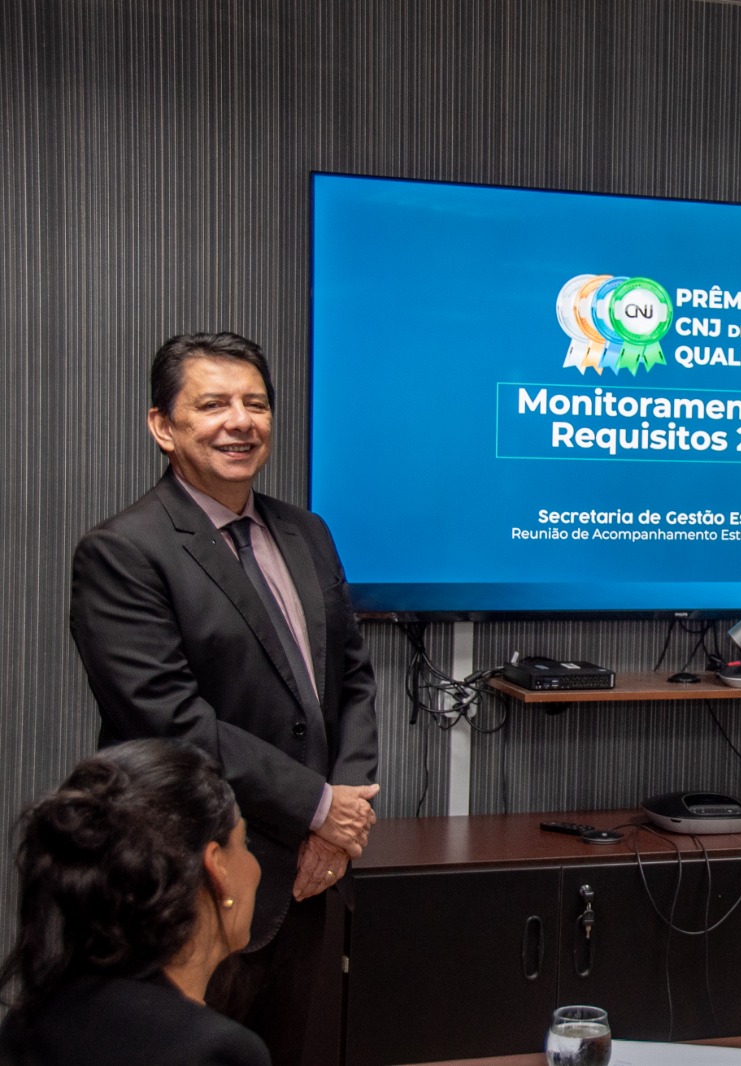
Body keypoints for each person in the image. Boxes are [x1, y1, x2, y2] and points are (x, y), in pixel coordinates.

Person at [68, 332, 381, 1062]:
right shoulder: (124, 551)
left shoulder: (306, 532)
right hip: (191, 884)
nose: (239, 421)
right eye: (212, 404)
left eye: (255, 404)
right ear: (162, 426)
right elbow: (168, 721)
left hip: (311, 876)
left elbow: (353, 678)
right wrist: (317, 807)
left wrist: (343, 812)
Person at [0, 739, 270, 1065]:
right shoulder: (217, 1051)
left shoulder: (26, 1025)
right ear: (217, 867)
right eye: (245, 842)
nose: (255, 867)